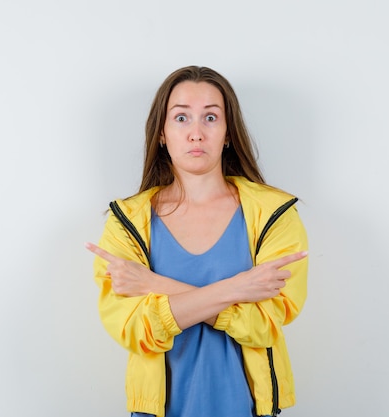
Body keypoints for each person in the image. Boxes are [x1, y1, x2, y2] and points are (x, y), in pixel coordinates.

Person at [85, 66, 308, 417]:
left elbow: (264, 325)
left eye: (210, 117)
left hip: (247, 408)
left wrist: (155, 284)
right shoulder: (126, 223)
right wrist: (238, 288)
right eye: (181, 118)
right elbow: (134, 329)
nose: (196, 133)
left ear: (228, 133)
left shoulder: (274, 214)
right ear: (162, 133)